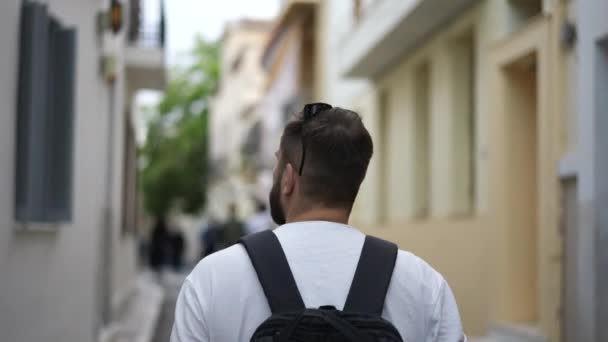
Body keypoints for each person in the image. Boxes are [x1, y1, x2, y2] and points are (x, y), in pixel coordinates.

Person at [171, 104, 466, 341]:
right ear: (355, 182)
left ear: (288, 179)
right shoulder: (424, 285)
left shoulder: (211, 278)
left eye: (276, 167)